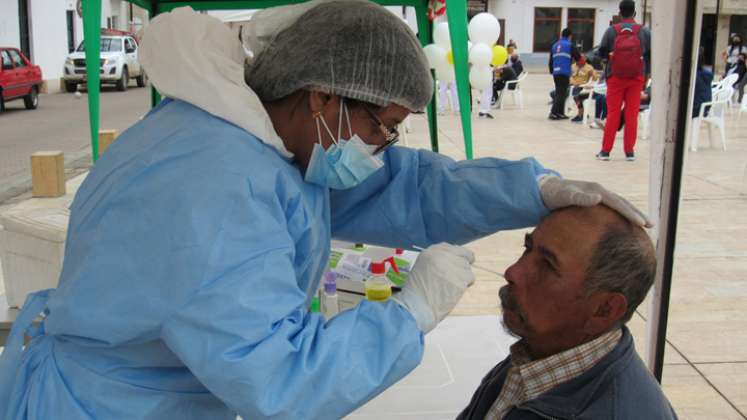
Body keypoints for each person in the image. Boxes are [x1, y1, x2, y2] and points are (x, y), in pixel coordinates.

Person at [0, 3, 652, 420]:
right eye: (383, 125)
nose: (383, 147)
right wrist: (406, 316)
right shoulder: (215, 187)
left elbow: (399, 187)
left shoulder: (267, 140)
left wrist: (529, 192)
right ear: (321, 98)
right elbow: (279, 382)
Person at [458, 204, 678, 420]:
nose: (512, 272)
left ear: (604, 310)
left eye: (547, 265)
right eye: (527, 248)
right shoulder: (543, 351)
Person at [596, 0, 651, 162]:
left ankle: (605, 151)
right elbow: (650, 55)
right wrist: (645, 73)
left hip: (615, 77)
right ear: (634, 13)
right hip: (636, 78)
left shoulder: (611, 31)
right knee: (631, 114)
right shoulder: (644, 32)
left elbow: (601, 52)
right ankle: (629, 152)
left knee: (613, 113)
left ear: (619, 13)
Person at [549, 28, 581, 120]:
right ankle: (553, 112)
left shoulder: (554, 45)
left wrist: (552, 70)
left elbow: (551, 59)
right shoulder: (569, 45)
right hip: (564, 71)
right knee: (561, 93)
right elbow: (578, 57)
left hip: (556, 72)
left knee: (561, 92)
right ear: (570, 36)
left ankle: (560, 113)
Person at [569, 55, 599, 123]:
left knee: (576, 97)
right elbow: (569, 77)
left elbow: (596, 78)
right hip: (573, 85)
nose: (581, 61)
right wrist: (574, 83)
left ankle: (580, 114)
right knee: (555, 93)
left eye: (583, 59)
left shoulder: (589, 67)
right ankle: (583, 113)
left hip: (583, 86)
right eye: (579, 59)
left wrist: (592, 74)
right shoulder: (572, 66)